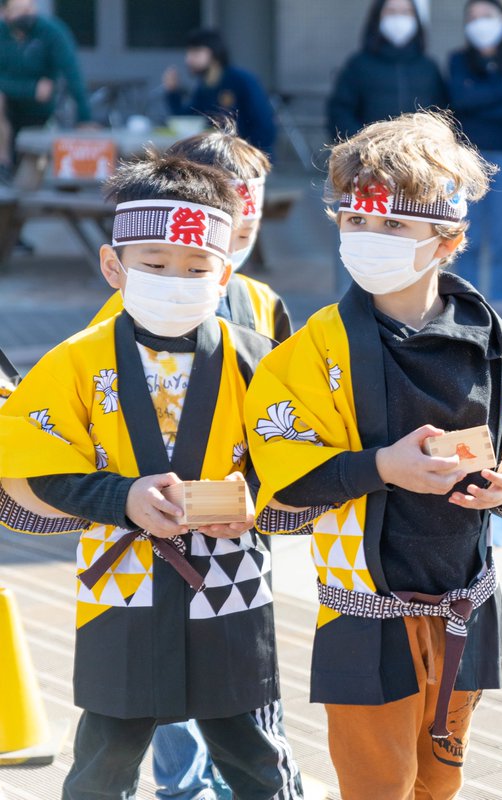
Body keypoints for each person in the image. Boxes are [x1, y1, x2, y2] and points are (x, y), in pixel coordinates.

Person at [246, 112, 502, 800]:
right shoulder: (315, 350)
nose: (368, 238)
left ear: (446, 238)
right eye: (356, 221)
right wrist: (382, 467)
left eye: (393, 226)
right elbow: (281, 477)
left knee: (440, 781)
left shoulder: (483, 332)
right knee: (375, 786)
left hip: (462, 598)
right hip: (365, 611)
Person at [0, 154, 302, 800]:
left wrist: (261, 501)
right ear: (114, 267)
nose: (176, 281)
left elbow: (300, 460)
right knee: (104, 760)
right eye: (156, 266)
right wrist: (121, 497)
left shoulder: (258, 361)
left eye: (196, 270)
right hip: (123, 584)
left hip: (232, 582)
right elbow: (32, 460)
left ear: (225, 273)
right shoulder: (77, 361)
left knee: (254, 758)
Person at [91, 122, 292, 343]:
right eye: (156, 265)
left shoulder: (262, 303)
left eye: (244, 235)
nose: (228, 249)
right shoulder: (132, 304)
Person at [447, 0, 502, 301]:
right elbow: (460, 100)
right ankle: (466, 307)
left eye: (487, 15)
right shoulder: (458, 60)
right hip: (466, 160)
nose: (480, 22)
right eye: (472, 17)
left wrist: (480, 99)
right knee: (465, 239)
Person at [327, 0, 447, 142]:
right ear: (377, 17)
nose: (398, 18)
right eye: (391, 12)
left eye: (405, 12)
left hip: (418, 156)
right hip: (368, 156)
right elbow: (340, 112)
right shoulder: (359, 65)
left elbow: (442, 113)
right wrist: (361, 143)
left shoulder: (428, 67)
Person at [0, 0, 93, 168]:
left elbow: (72, 73)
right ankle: (3, 164)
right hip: (7, 111)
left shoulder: (51, 30)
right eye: (19, 10)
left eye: (30, 8)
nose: (27, 14)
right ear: (4, 12)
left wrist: (84, 117)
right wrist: (31, 88)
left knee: (30, 168)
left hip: (42, 111)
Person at [164, 29, 278, 159]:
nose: (188, 59)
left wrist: (253, 158)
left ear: (214, 52)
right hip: (216, 159)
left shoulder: (241, 80)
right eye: (188, 53)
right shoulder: (204, 87)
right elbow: (187, 119)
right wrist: (172, 92)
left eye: (195, 52)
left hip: (246, 160)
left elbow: (264, 124)